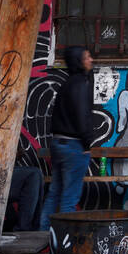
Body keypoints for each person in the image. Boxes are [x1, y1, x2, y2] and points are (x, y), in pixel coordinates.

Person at [38, 46, 96, 230]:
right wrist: (87, 143)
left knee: (55, 193)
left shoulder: (67, 83)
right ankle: (64, 241)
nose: (91, 60)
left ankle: (42, 237)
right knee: (69, 198)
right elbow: (82, 116)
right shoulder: (80, 84)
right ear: (79, 61)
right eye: (87, 57)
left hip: (58, 144)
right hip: (74, 146)